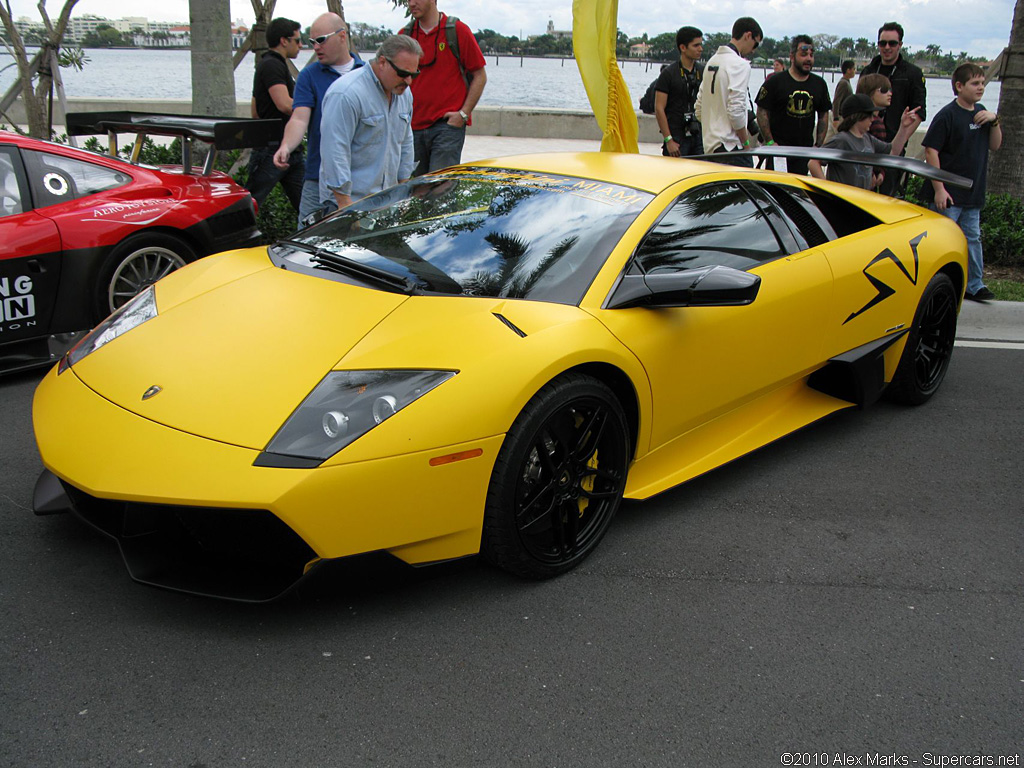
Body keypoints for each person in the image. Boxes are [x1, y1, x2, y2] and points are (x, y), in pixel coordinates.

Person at [919, 63, 1002, 302]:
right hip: (949, 195)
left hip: (972, 193)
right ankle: (938, 283)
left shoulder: (983, 113)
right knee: (944, 240)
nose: (981, 88)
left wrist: (994, 120)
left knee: (972, 237)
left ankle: (974, 285)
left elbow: (995, 145)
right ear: (959, 86)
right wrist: (939, 189)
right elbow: (931, 151)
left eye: (983, 83)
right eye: (975, 83)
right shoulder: (947, 115)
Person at [273, 14, 364, 225]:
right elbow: (299, 119)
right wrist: (286, 146)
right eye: (312, 41)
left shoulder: (366, 75)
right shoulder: (308, 76)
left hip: (360, 181)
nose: (315, 47)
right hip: (318, 178)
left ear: (342, 36)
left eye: (321, 40)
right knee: (304, 244)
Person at [318, 35, 422, 211]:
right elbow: (335, 151)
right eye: (403, 74)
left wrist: (404, 190)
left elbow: (405, 142)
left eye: (413, 74)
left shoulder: (405, 94)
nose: (408, 81)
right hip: (348, 204)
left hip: (388, 204)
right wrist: (345, 206)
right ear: (382, 62)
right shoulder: (346, 94)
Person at [400, 0, 487, 176]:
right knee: (415, 192)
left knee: (441, 190)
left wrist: (463, 114)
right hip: (412, 128)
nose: (411, 3)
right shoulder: (405, 36)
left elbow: (480, 75)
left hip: (446, 127)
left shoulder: (457, 31)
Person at [861, 21, 926, 194]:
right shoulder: (869, 70)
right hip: (865, 145)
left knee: (887, 195)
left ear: (900, 45)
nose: (887, 47)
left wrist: (900, 139)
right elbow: (857, 105)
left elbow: (919, 112)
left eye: (892, 43)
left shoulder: (912, 74)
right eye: (883, 43)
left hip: (894, 143)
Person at [246, 17, 304, 213]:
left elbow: (255, 110)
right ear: (284, 40)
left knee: (308, 208)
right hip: (272, 149)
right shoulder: (272, 65)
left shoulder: (268, 64)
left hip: (287, 148)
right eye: (297, 40)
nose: (301, 45)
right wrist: (311, 111)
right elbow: (285, 104)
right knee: (251, 205)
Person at [754, 35, 831, 176]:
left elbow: (824, 113)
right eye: (803, 54)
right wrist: (770, 142)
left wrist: (818, 145)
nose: (809, 58)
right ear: (792, 56)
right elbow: (762, 110)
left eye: (811, 55)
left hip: (804, 152)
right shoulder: (775, 82)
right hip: (779, 152)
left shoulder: (819, 84)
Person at [809, 94, 920, 190]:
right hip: (843, 201)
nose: (872, 119)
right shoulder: (841, 140)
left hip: (862, 199)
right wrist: (828, 189)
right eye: (869, 115)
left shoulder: (868, 139)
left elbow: (893, 151)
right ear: (858, 116)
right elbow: (813, 162)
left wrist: (903, 128)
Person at [694, 17, 763, 167]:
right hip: (732, 147)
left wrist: (714, 125)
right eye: (755, 43)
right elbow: (736, 111)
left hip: (710, 146)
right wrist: (745, 144)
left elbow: (699, 109)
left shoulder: (712, 61)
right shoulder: (740, 64)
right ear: (748, 36)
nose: (753, 49)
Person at [654, 26, 704, 157]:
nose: (700, 49)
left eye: (701, 45)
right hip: (676, 136)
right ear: (683, 47)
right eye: (696, 45)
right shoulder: (669, 73)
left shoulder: (702, 71)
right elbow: (659, 108)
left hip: (698, 135)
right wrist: (668, 139)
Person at [832, 59, 855, 131]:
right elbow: (837, 101)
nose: (855, 71)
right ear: (848, 70)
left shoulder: (847, 82)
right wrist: (836, 118)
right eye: (854, 69)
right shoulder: (844, 83)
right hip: (840, 117)